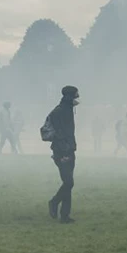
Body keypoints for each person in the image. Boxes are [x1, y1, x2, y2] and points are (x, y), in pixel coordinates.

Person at [47, 86, 79, 224]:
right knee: (69, 182)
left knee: (68, 182)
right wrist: (64, 153)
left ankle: (65, 215)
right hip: (63, 151)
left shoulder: (66, 110)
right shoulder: (60, 112)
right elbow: (59, 134)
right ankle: (54, 202)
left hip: (69, 150)